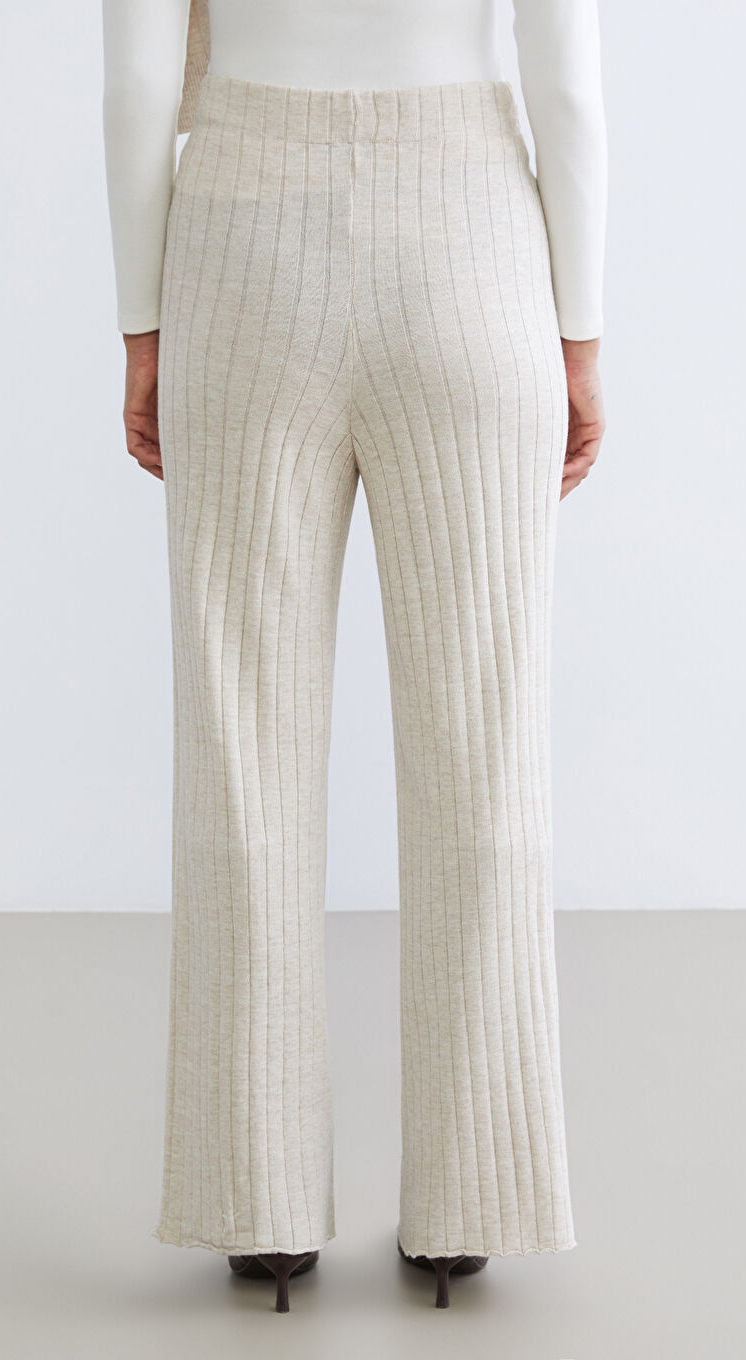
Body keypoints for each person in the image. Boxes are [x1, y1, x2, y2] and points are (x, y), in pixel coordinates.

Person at [101, 0, 606, 1312]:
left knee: (242, 734)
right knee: (484, 741)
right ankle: (472, 1201)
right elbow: (567, 88)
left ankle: (256, 1203)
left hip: (241, 246)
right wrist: (581, 334)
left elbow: (140, 83)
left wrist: (143, 325)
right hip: (472, 240)